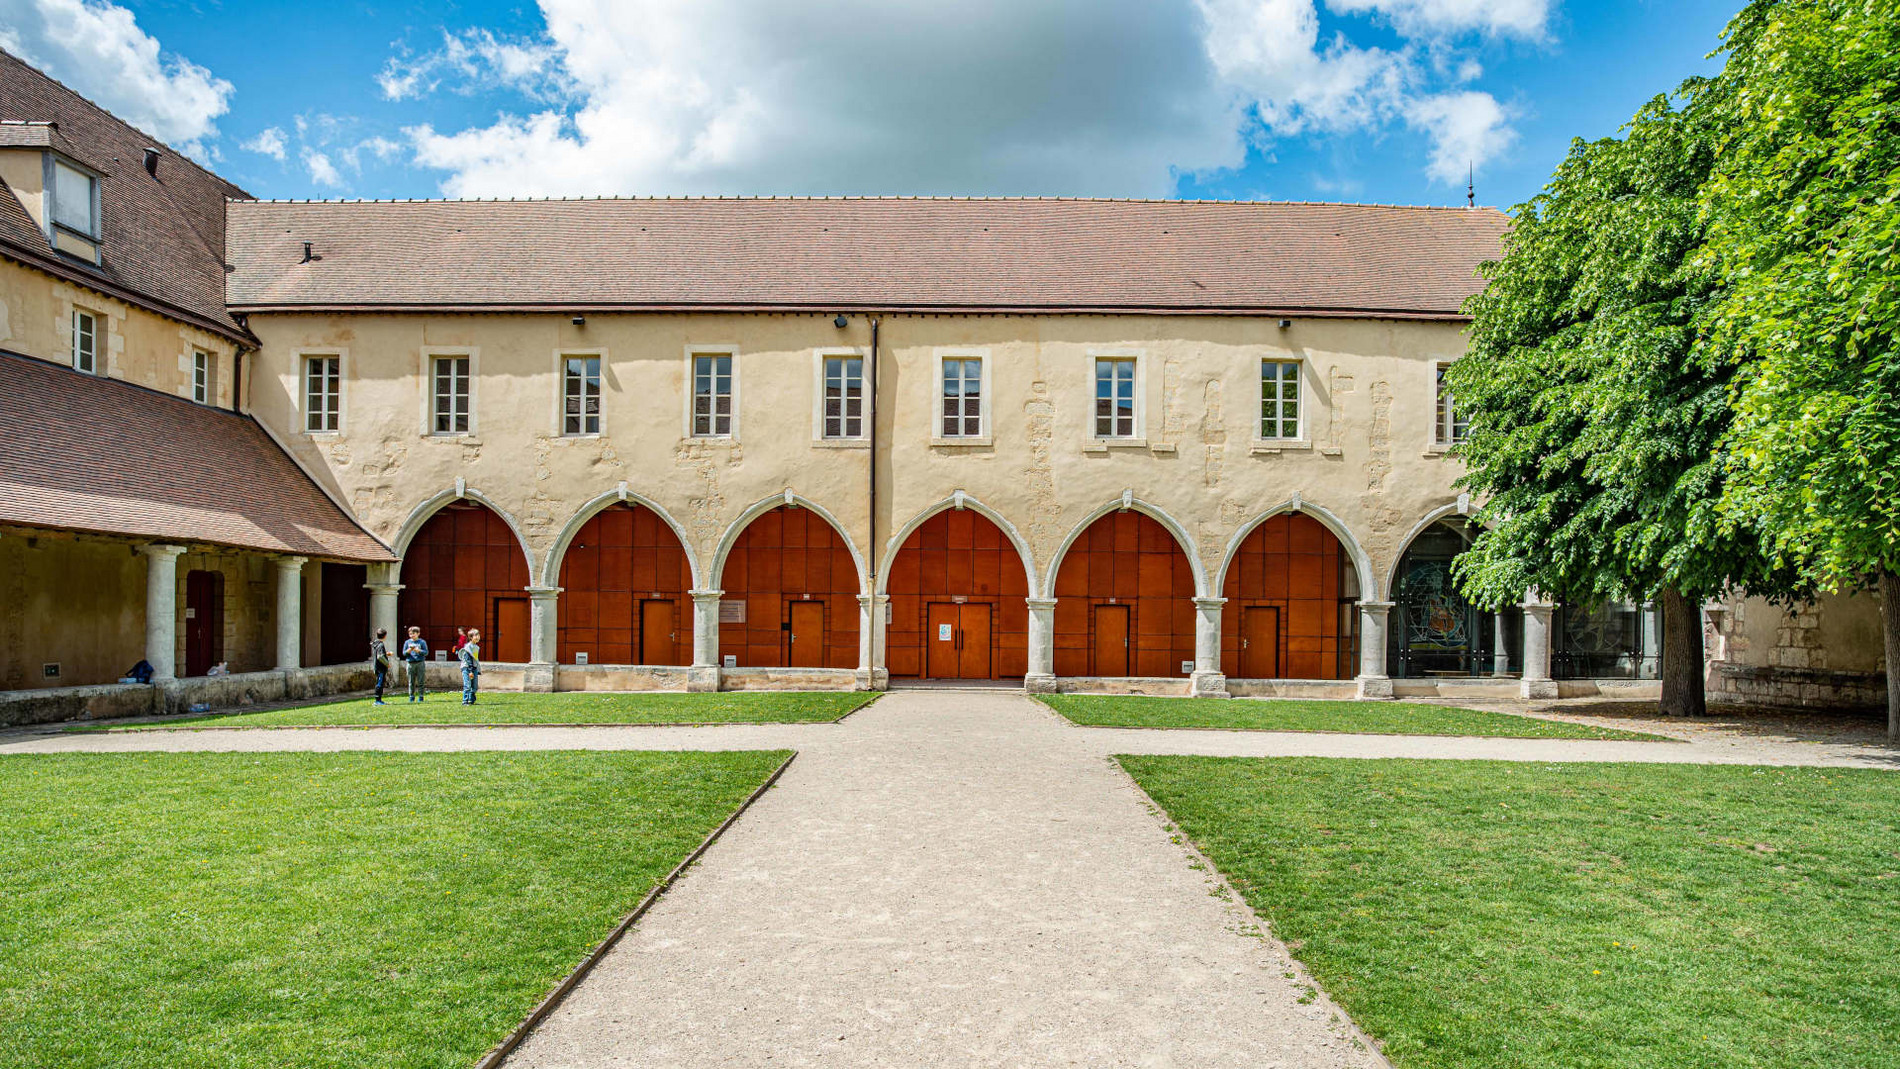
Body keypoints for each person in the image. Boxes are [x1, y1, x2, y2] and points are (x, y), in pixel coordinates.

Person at [400, 626, 430, 702]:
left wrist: (418, 651)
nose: (412, 635)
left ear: (418, 633)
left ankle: (421, 696)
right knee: (411, 681)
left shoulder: (422, 642)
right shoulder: (407, 642)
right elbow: (404, 653)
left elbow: (426, 652)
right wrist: (409, 650)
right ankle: (411, 696)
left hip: (420, 663)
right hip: (410, 663)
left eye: (413, 634)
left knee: (421, 681)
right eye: (410, 634)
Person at [459, 627, 482, 705]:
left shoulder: (476, 647)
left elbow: (476, 660)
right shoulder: (468, 647)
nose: (478, 637)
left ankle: (471, 700)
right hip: (467, 668)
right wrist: (470, 671)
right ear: (471, 637)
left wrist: (477, 669)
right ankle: (465, 701)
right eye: (476, 635)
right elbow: (468, 659)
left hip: (474, 668)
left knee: (474, 686)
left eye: (478, 635)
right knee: (467, 685)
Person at [370, 628, 391, 705]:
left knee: (380, 682)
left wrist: (386, 654)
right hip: (380, 668)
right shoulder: (381, 645)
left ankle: (379, 700)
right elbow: (380, 657)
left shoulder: (376, 644)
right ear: (385, 636)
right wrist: (387, 664)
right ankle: (377, 700)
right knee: (379, 683)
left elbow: (379, 654)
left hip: (377, 667)